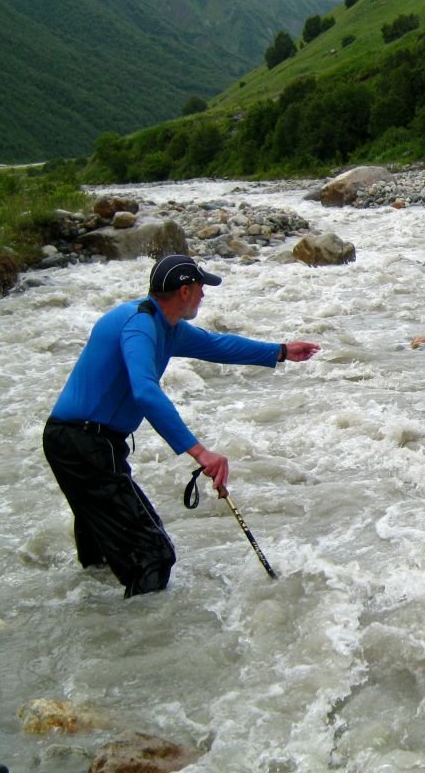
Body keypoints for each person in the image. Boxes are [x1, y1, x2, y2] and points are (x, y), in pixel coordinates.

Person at [43, 254, 320, 598]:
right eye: (201, 287)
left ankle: (97, 630)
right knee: (153, 556)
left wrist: (280, 351)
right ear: (185, 291)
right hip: (83, 444)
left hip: (87, 443)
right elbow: (145, 391)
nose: (205, 295)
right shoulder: (140, 324)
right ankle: (141, 645)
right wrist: (200, 452)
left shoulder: (167, 326)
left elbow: (217, 344)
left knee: (101, 555)